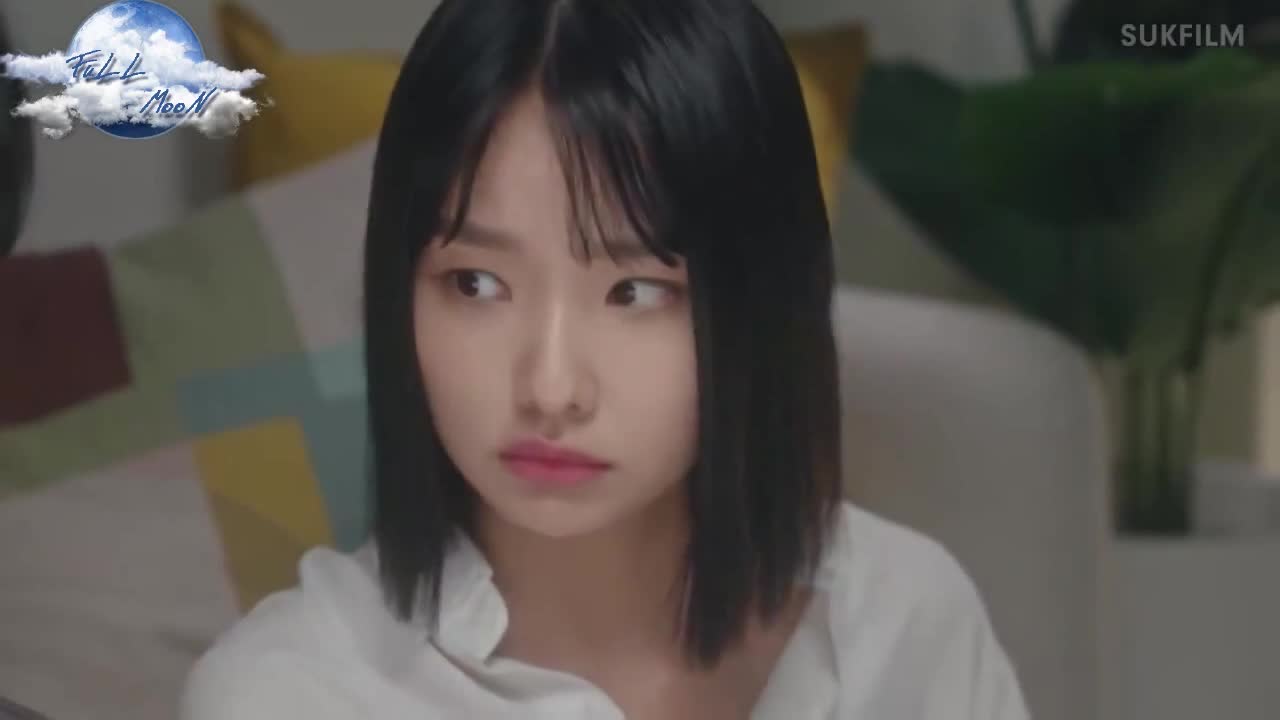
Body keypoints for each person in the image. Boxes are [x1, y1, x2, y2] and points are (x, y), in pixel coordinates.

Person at [181, 0, 1030, 718]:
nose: (551, 388)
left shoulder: (905, 626)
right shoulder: (288, 695)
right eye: (476, 283)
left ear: (763, 300)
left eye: (636, 292)